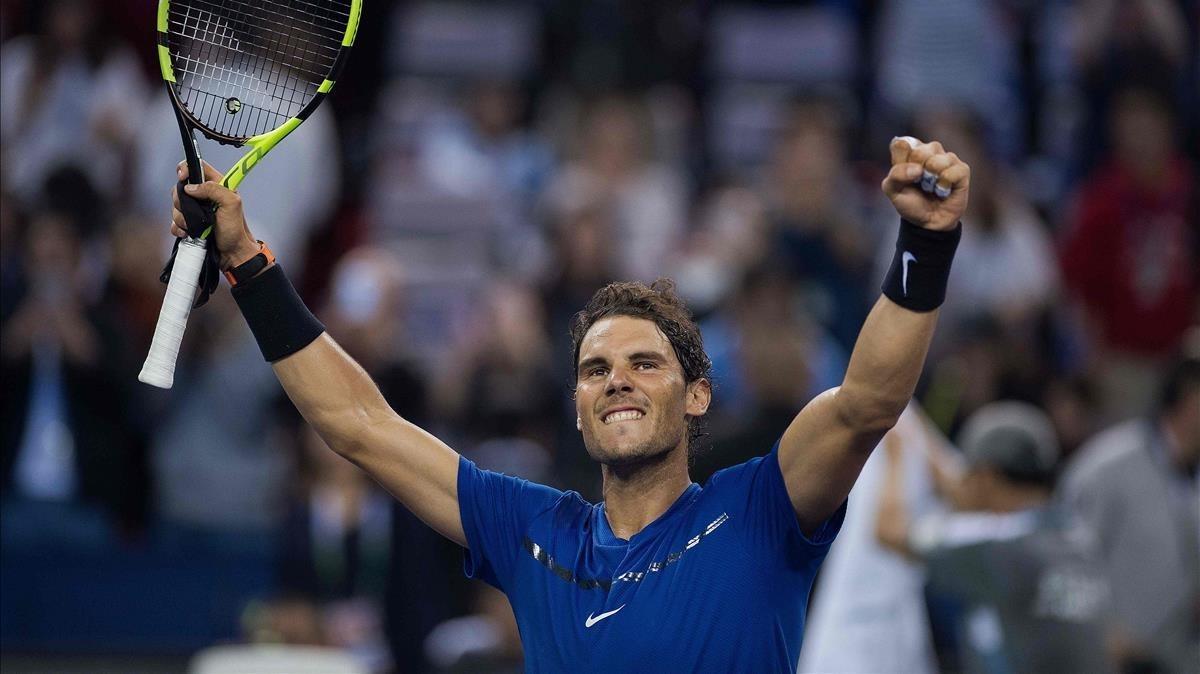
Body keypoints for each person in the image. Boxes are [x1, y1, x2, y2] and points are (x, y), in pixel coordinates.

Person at [164, 135, 970, 671]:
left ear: (697, 395)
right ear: (576, 406)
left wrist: (925, 246)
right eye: (594, 369)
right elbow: (359, 427)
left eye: (644, 362)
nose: (615, 378)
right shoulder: (532, 532)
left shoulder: (760, 507)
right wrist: (245, 259)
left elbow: (867, 402)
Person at [875, 402, 1113, 674]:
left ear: (987, 477)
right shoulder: (1076, 536)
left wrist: (896, 457)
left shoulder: (1003, 546)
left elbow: (890, 532)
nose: (960, 484)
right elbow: (965, 493)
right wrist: (912, 424)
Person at [1059, 351, 1200, 673]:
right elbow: (1065, 563)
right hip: (1109, 661)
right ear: (1191, 400)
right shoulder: (1108, 467)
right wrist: (1103, 632)